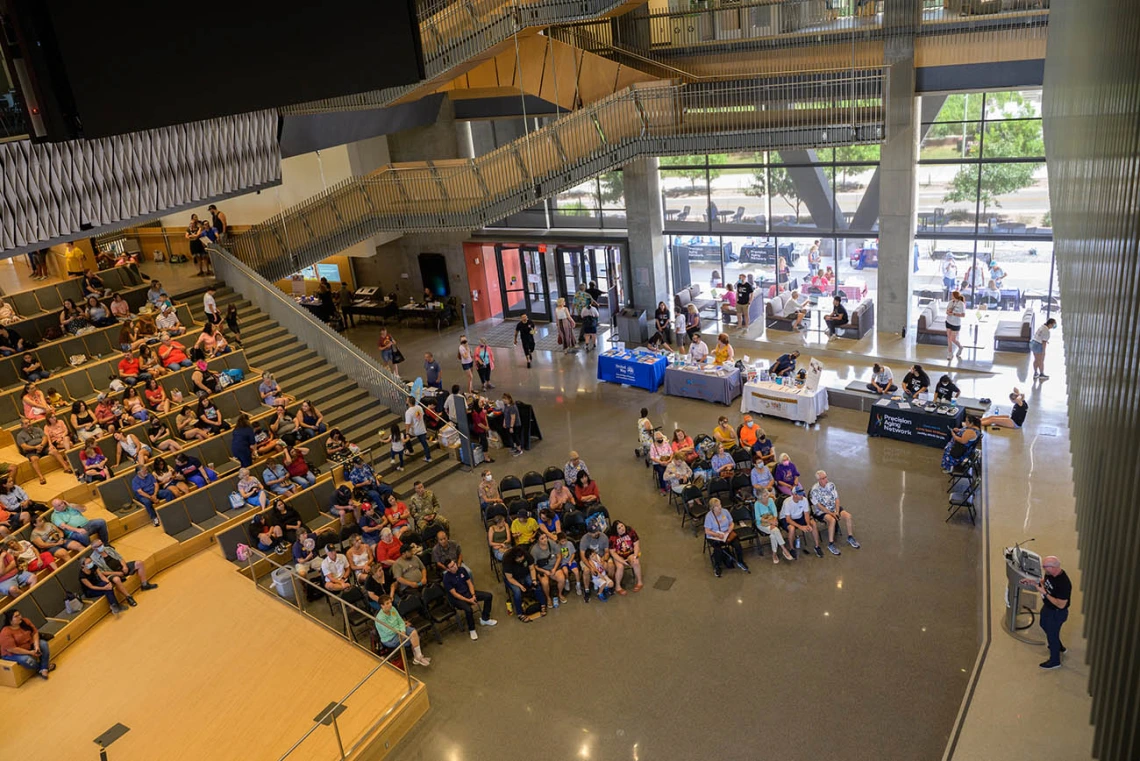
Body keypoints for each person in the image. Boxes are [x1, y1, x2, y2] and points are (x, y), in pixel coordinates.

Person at [442, 559, 497, 639]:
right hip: (457, 599)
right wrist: (469, 600)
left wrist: (473, 595)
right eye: (452, 567)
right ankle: (472, 629)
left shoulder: (462, 570)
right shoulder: (446, 579)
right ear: (447, 569)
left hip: (468, 593)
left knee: (488, 596)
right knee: (468, 609)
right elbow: (455, 594)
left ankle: (485, 619)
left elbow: (469, 583)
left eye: (454, 564)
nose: (455, 567)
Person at [809, 471, 860, 554]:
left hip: (833, 508)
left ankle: (850, 537)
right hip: (821, 512)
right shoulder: (814, 490)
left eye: (826, 477)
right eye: (823, 478)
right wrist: (831, 513)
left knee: (848, 516)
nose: (826, 479)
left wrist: (836, 511)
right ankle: (831, 544)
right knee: (832, 520)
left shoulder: (831, 485)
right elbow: (819, 506)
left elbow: (837, 499)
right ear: (819, 480)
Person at [1036, 555, 1072, 670]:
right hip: (1048, 607)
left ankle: (1055, 661)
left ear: (1054, 567)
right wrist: (1034, 582)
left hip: (1057, 613)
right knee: (1043, 624)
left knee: (1052, 635)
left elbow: (1061, 605)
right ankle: (1059, 646)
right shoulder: (1050, 573)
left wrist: (1045, 593)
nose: (1043, 569)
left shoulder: (1064, 583)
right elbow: (1045, 581)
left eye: (1045, 566)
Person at [374, 595, 431, 666]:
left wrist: (403, 630)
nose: (390, 605)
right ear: (382, 606)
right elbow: (389, 631)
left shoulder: (393, 609)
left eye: (390, 602)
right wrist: (401, 630)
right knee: (413, 638)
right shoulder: (380, 618)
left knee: (414, 632)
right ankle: (417, 658)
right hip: (390, 639)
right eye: (387, 603)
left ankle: (418, 657)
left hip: (399, 630)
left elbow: (400, 621)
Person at [90, 535, 157, 591]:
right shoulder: (93, 558)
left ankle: (144, 584)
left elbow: (120, 558)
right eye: (99, 546)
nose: (101, 546)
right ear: (94, 548)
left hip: (121, 567)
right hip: (112, 573)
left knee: (139, 563)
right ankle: (128, 596)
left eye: (101, 544)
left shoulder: (108, 549)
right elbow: (102, 572)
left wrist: (124, 566)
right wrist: (117, 573)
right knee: (116, 579)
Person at [0, 610, 54, 679]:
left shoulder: (25, 621)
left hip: (28, 645)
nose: (20, 617)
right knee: (26, 659)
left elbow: (35, 633)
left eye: (19, 614)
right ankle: (41, 667)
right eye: (16, 616)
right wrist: (30, 653)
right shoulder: (5, 632)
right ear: (10, 620)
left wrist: (36, 646)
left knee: (43, 644)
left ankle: (44, 668)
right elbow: (12, 649)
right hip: (12, 653)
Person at [16, 417, 71, 484]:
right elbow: (24, 446)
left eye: (29, 422)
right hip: (32, 451)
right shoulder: (20, 435)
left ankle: (66, 467)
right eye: (26, 423)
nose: (29, 424)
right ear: (22, 426)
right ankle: (41, 477)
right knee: (34, 459)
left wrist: (41, 445)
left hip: (43, 447)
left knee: (54, 451)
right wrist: (35, 447)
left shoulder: (37, 429)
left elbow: (45, 438)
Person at [704, 498, 748, 577]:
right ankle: (717, 566)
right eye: (717, 506)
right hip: (715, 536)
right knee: (718, 549)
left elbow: (731, 523)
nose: (720, 507)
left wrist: (728, 531)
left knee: (737, 545)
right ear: (712, 508)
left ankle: (741, 561)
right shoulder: (709, 516)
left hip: (726, 534)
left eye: (720, 504)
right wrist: (717, 535)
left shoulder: (725, 512)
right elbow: (707, 531)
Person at [502, 545, 548, 619]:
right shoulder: (507, 561)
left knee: (536, 586)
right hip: (513, 578)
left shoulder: (527, 555)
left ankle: (543, 604)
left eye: (521, 558)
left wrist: (534, 580)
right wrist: (520, 585)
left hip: (525, 574)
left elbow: (532, 569)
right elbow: (509, 578)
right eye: (518, 559)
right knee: (517, 592)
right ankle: (519, 613)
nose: (520, 560)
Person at [780, 486, 823, 558]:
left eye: (802, 494)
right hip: (786, 517)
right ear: (794, 495)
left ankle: (817, 546)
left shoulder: (804, 500)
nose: (802, 496)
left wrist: (808, 524)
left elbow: (806, 514)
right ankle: (791, 548)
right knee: (792, 528)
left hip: (799, 516)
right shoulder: (787, 502)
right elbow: (788, 519)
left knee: (813, 524)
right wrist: (801, 527)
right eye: (800, 494)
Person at [754, 488, 793, 563]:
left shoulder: (771, 500)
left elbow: (775, 512)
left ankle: (774, 554)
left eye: (767, 495)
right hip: (762, 524)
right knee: (775, 530)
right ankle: (784, 549)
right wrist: (770, 522)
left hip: (772, 521)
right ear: (760, 498)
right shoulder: (757, 504)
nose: (767, 497)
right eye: (764, 496)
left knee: (773, 535)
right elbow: (758, 518)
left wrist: (774, 520)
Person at [530, 532, 563, 607]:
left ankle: (560, 594)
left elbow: (559, 556)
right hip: (542, 569)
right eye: (542, 538)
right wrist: (545, 571)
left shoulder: (552, 543)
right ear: (538, 541)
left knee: (562, 579)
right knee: (545, 583)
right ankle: (548, 598)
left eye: (545, 537)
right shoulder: (534, 550)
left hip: (554, 566)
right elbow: (534, 566)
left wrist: (554, 568)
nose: (545, 539)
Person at [609, 520, 643, 593]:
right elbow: (612, 552)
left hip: (630, 553)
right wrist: (622, 561)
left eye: (622, 526)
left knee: (636, 562)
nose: (622, 528)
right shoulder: (613, 538)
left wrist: (635, 556)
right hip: (618, 555)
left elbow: (636, 544)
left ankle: (639, 582)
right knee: (620, 567)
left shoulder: (630, 531)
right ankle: (618, 587)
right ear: (616, 531)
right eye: (619, 528)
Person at [404, 397, 432, 463]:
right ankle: (428, 457)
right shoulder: (419, 407)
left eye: (407, 401)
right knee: (425, 444)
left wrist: (407, 432)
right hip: (421, 429)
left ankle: (411, 451)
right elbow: (422, 416)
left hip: (414, 431)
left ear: (409, 402)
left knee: (406, 437)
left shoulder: (408, 412)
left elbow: (407, 424)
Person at [501, 392, 523, 457]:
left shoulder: (512, 407)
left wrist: (511, 427)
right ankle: (514, 448)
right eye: (503, 399)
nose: (504, 400)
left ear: (510, 399)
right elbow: (505, 415)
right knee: (512, 436)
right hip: (509, 424)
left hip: (515, 425)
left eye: (505, 399)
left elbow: (513, 418)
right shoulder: (506, 405)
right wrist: (504, 422)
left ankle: (519, 450)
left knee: (516, 436)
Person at [945, 290, 966, 360]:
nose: (951, 297)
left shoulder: (961, 304)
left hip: (956, 324)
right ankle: (950, 353)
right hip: (948, 321)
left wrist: (954, 314)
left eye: (952, 295)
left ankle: (960, 347)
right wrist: (949, 312)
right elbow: (947, 311)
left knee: (953, 339)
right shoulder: (951, 302)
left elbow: (963, 315)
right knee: (949, 338)